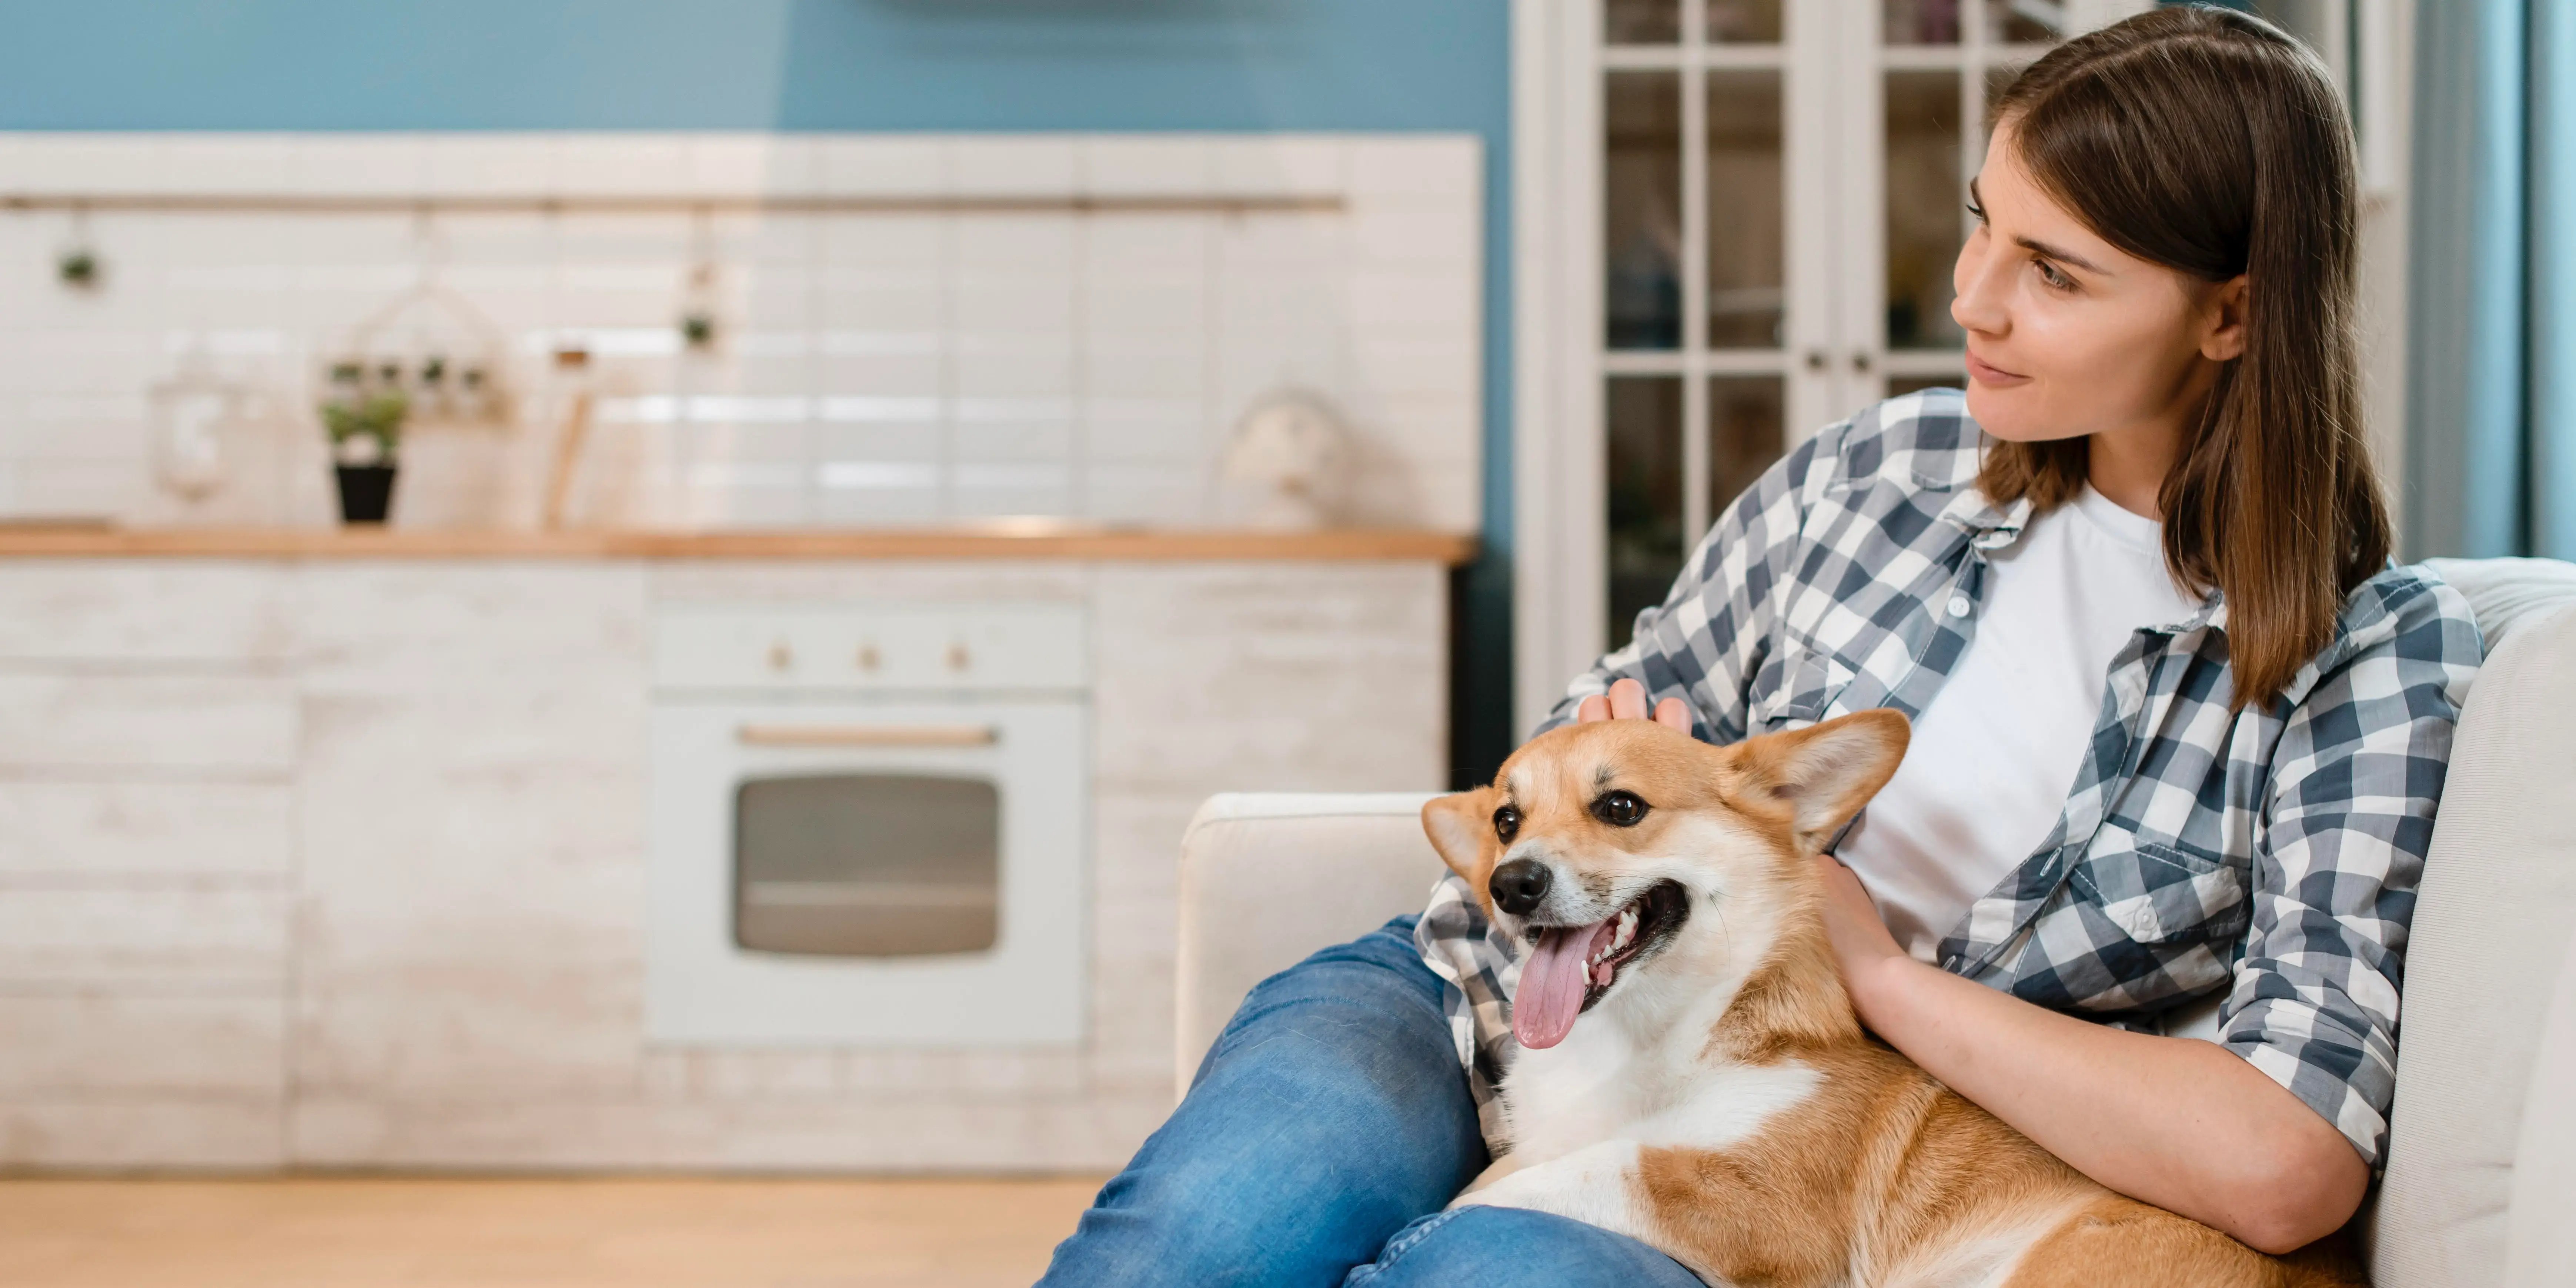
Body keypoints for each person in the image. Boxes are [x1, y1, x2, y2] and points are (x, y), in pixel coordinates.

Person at [1038, 9, 2482, 1285]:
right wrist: (1602, 768)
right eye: (1982, 222)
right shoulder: (1876, 472)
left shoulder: (2361, 663)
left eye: (2053, 270)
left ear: (2230, 315)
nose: (1972, 298)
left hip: (1765, 1144)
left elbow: (2287, 1164)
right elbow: (1595, 738)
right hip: (1476, 992)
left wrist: (1887, 979)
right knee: (1191, 1247)